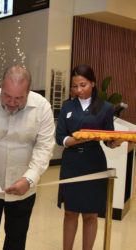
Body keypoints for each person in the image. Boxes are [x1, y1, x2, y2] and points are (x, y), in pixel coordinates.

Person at [0, 65, 55, 250]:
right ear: (1, 86)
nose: (12, 102)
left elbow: (44, 147)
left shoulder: (42, 107)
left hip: (23, 187)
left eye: (19, 98)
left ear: (28, 92)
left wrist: (29, 179)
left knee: (16, 238)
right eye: (7, 96)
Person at [56, 65, 120, 250]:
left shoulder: (105, 107)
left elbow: (108, 137)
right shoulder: (68, 106)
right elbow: (60, 137)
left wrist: (113, 143)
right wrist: (77, 140)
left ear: (92, 83)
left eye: (83, 85)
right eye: (75, 86)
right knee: (70, 212)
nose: (78, 90)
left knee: (90, 214)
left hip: (93, 162)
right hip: (72, 163)